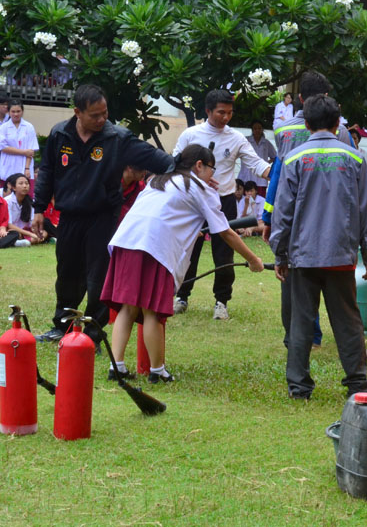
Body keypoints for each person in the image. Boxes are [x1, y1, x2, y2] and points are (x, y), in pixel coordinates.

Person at [102, 144, 264, 383]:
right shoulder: (199, 188)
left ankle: (116, 366)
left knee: (128, 307)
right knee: (151, 310)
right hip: (153, 247)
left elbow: (167, 213)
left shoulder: (158, 180)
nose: (213, 176)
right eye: (212, 169)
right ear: (199, 165)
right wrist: (253, 259)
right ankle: (157, 371)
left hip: (126, 242)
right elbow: (226, 232)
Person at [32, 84, 175, 347]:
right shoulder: (59, 134)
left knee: (98, 276)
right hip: (69, 216)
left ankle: (93, 334)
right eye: (95, 115)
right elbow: (48, 171)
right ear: (78, 112)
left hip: (103, 217)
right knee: (67, 273)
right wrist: (39, 208)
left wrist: (187, 169)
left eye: (104, 113)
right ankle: (62, 327)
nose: (102, 119)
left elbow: (155, 158)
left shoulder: (117, 138)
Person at [269, 94, 367, 400]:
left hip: (303, 256)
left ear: (306, 124)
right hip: (341, 255)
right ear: (338, 123)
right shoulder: (355, 158)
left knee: (301, 321)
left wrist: (280, 253)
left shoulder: (293, 158)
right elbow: (366, 209)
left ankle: (299, 387)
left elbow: (283, 211)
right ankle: (358, 383)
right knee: (348, 321)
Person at [263, 71, 351, 354]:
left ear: (300, 98)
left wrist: (268, 217)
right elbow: (353, 176)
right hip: (332, 216)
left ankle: (296, 338)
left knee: (293, 278)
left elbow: (278, 176)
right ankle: (332, 340)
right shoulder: (342, 132)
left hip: (294, 215)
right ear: (327, 99)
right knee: (333, 280)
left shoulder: (284, 131)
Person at [172, 90, 271, 320]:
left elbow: (256, 164)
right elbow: (174, 164)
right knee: (189, 250)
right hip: (193, 201)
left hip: (223, 200)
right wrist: (195, 178)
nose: (226, 117)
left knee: (224, 253)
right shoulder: (190, 135)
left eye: (230, 112)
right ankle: (182, 296)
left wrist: (276, 175)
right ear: (208, 111)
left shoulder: (236, 138)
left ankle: (221, 302)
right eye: (221, 112)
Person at [0, 100, 38, 183]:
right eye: (13, 111)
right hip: (8, 166)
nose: (16, 114)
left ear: (22, 112)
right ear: (8, 112)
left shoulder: (29, 127)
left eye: (18, 111)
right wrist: (23, 152)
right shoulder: (3, 127)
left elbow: (31, 151)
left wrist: (27, 168)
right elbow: (3, 147)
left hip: (24, 166)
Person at [238, 119, 276, 198]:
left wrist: (266, 162)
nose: (257, 130)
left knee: (260, 200)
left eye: (259, 128)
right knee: (245, 200)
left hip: (261, 178)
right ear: (252, 130)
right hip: (247, 175)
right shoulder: (246, 141)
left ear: (262, 129)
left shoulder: (266, 143)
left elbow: (275, 156)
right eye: (255, 128)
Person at [4, 173, 44, 245]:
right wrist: (30, 234)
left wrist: (35, 232)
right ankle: (19, 242)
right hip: (12, 230)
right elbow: (9, 224)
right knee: (15, 234)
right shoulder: (7, 201)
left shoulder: (31, 201)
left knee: (43, 230)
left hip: (26, 230)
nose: (25, 186)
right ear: (14, 187)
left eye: (26, 183)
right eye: (21, 183)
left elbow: (32, 222)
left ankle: (25, 241)